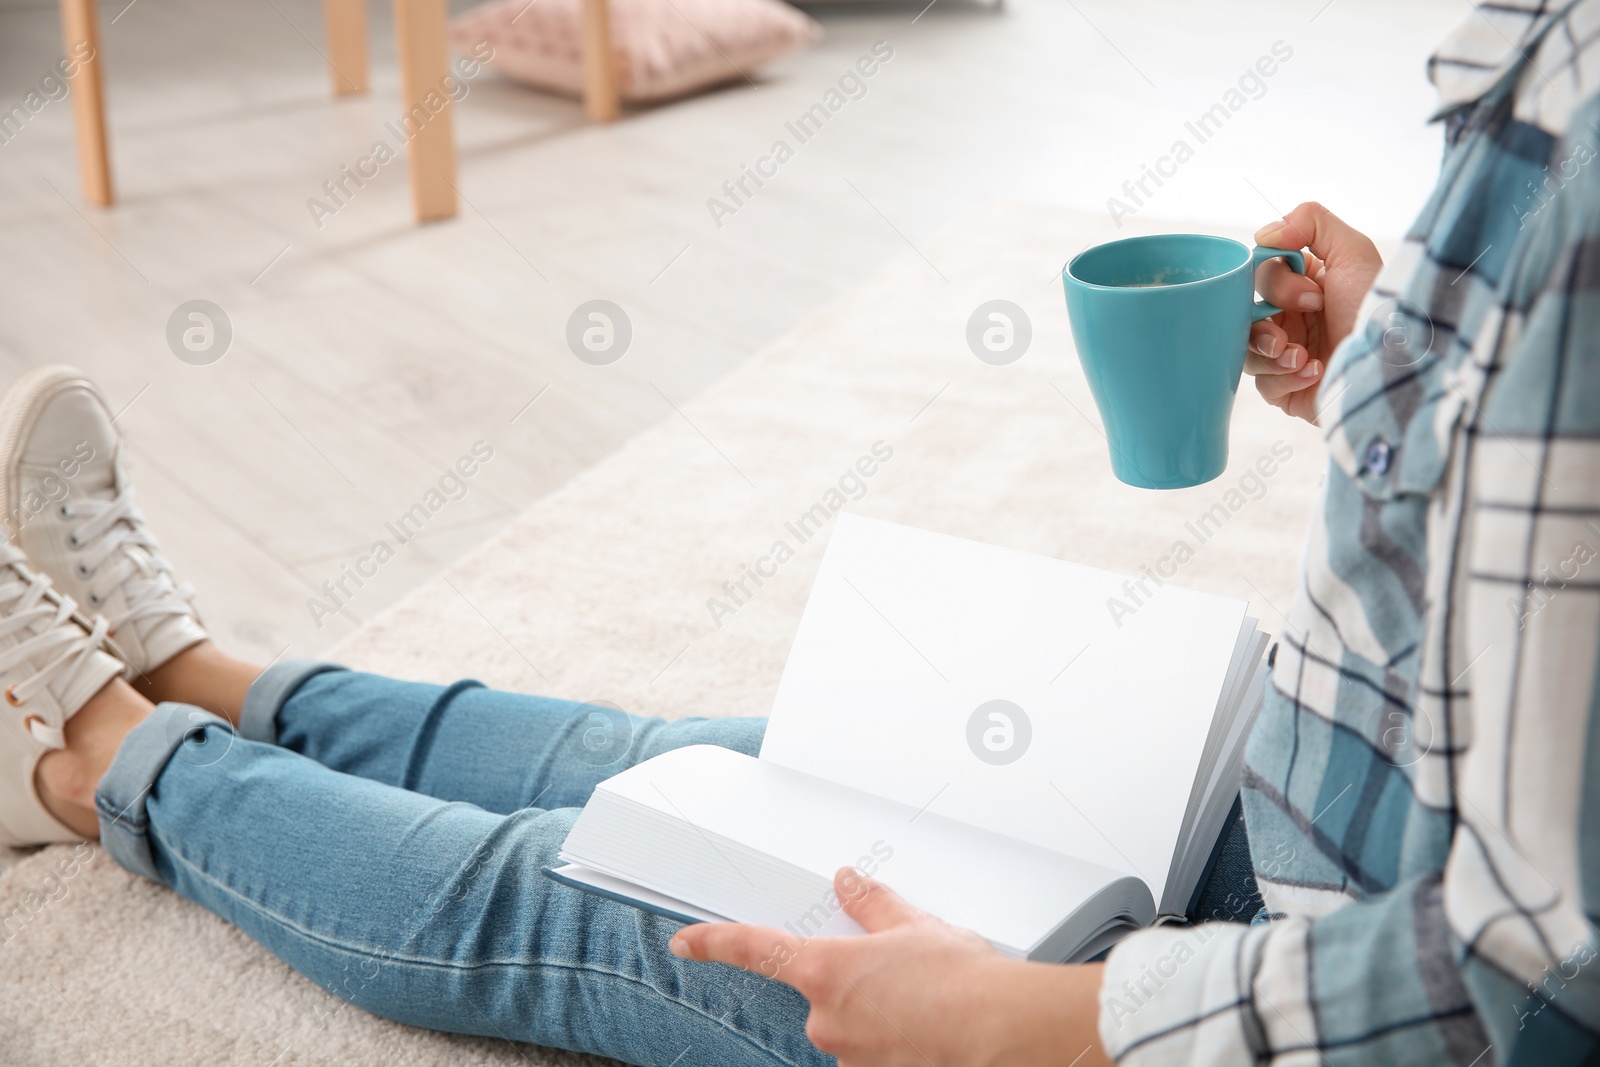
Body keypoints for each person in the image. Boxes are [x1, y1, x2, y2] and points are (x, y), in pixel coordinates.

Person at [5, 1, 1599, 1063]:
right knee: (666, 758)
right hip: (1308, 804)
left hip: (1309, 981)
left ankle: (90, 745)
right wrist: (1414, 371)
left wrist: (1034, 1020)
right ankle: (197, 667)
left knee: (565, 889)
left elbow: (1499, 983)